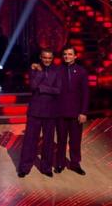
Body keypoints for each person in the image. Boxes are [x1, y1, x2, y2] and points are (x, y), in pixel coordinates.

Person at [17, 49, 61, 178]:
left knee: (48, 141)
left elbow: (58, 90)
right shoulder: (34, 69)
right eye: (45, 58)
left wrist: (42, 88)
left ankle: (46, 167)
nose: (47, 60)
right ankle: (24, 167)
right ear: (40, 57)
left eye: (49, 58)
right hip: (35, 111)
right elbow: (32, 85)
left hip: (50, 111)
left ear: (52, 58)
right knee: (30, 140)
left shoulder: (56, 71)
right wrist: (40, 73)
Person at [54, 45, 89, 175]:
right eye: (65, 54)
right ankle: (60, 163)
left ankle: (75, 164)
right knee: (61, 140)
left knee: (75, 140)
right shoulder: (57, 70)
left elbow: (85, 93)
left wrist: (83, 112)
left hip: (76, 113)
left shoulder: (81, 71)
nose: (67, 56)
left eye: (69, 54)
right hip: (60, 112)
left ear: (75, 56)